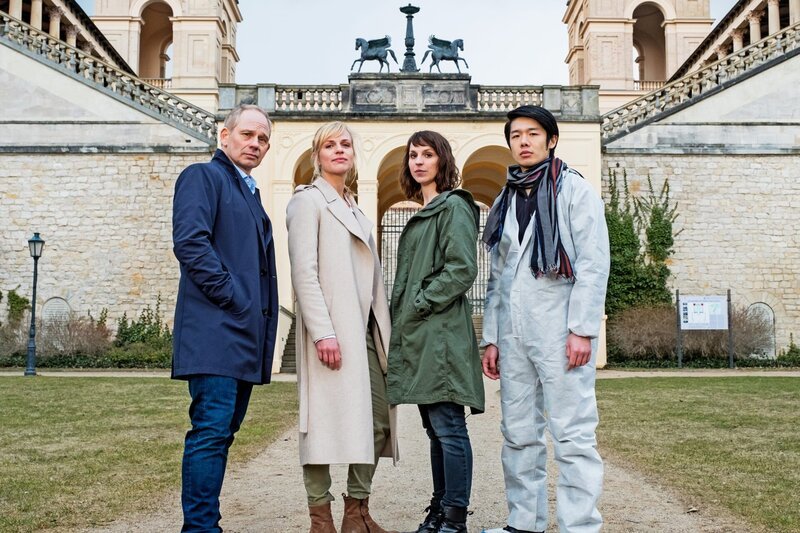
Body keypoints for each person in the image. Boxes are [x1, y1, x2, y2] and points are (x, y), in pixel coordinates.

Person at [480, 106, 610, 533]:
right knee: (518, 433)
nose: (524, 141)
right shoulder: (505, 199)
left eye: (533, 133)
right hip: (514, 334)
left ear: (551, 140)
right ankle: (525, 521)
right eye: (516, 135)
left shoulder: (574, 191)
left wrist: (582, 330)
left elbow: (593, 264)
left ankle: (580, 526)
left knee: (572, 433)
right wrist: (492, 338)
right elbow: (498, 276)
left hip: (561, 331)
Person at [286, 121, 398, 533]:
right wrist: (323, 332)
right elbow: (304, 273)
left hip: (365, 329)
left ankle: (357, 511)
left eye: (345, 144)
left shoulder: (355, 207)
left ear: (353, 155)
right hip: (330, 331)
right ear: (317, 156)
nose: (338, 150)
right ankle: (321, 518)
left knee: (378, 419)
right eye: (329, 145)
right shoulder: (307, 202)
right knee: (319, 424)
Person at [171, 103, 279, 532]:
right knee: (211, 432)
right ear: (224, 135)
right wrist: (234, 298)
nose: (255, 143)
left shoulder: (247, 190)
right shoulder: (204, 176)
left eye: (263, 139)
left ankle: (204, 524)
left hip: (240, 334)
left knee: (221, 434)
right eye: (248, 134)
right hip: (216, 331)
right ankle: (200, 529)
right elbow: (191, 244)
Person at [386, 131, 484, 533]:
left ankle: (455, 518)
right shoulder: (426, 210)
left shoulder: (453, 207)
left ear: (442, 161)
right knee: (434, 429)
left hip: (441, 332)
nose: (419, 161)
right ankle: (439, 509)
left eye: (428, 154)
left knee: (448, 426)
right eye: (413, 155)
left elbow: (462, 268)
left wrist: (422, 301)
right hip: (424, 332)